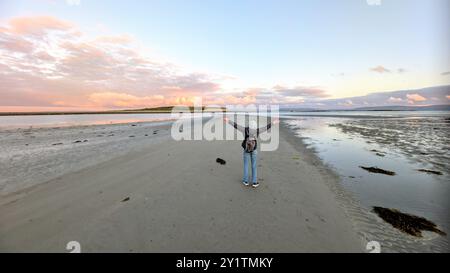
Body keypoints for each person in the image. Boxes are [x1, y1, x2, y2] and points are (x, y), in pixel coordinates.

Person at [224, 117, 279, 188]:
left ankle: (246, 181)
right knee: (254, 166)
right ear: (255, 126)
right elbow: (266, 127)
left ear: (249, 125)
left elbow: (236, 125)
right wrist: (274, 122)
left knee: (246, 165)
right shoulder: (258, 130)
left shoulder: (245, 129)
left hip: (246, 150)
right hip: (254, 150)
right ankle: (254, 182)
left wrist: (228, 120)